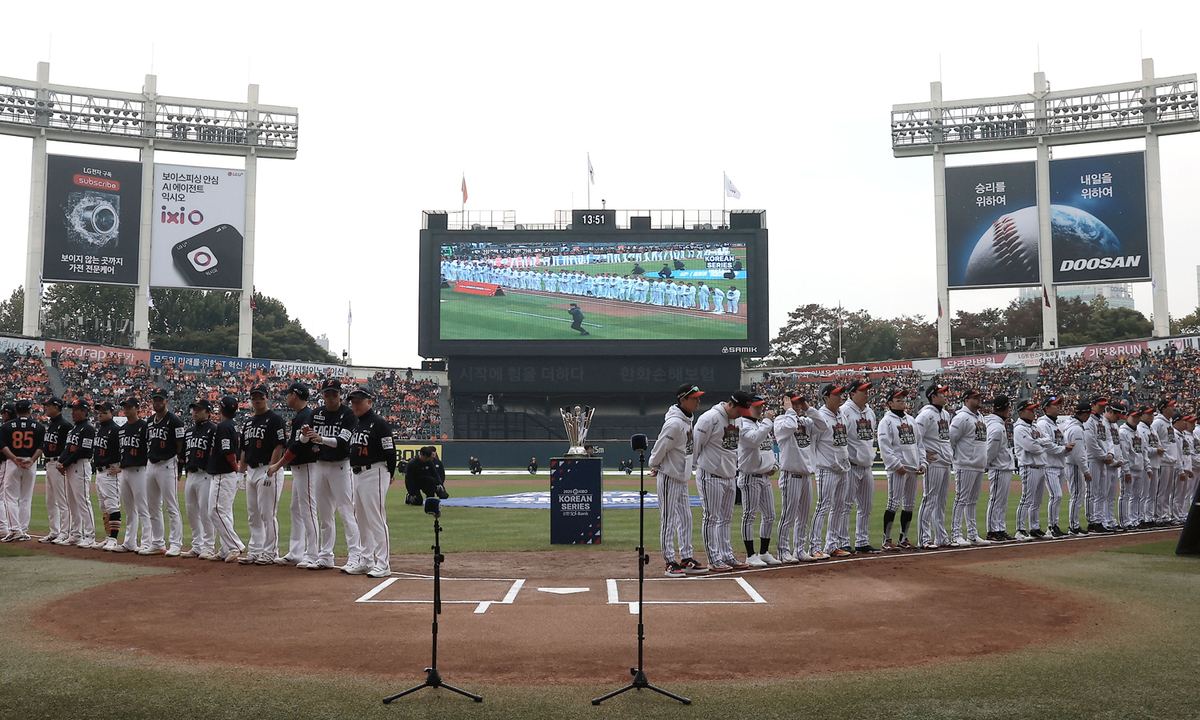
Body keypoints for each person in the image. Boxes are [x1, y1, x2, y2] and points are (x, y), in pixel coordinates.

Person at [649, 383, 706, 577]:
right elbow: (659, 447)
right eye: (694, 398)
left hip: (681, 477)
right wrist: (655, 465)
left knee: (686, 518)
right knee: (669, 519)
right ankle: (669, 561)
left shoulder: (688, 418)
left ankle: (686, 557)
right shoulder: (674, 423)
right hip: (669, 476)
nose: (698, 400)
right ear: (682, 400)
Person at [693, 391, 753, 572]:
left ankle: (727, 555)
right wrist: (699, 467)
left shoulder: (738, 420)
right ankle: (713, 558)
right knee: (711, 517)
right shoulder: (709, 418)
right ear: (731, 404)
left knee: (726, 519)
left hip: (729, 476)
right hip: (710, 475)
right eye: (740, 410)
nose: (742, 414)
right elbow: (695, 447)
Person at [306, 379, 363, 570]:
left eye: (334, 394)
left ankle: (355, 555)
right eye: (327, 394)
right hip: (320, 465)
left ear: (340, 395)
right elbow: (303, 438)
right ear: (322, 394)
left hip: (340, 466)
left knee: (347, 512)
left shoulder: (348, 414)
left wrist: (320, 438)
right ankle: (325, 556)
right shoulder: (316, 413)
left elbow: (343, 441)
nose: (331, 398)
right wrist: (305, 434)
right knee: (325, 515)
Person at [347, 388, 397, 579]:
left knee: (376, 518)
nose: (354, 405)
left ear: (369, 401)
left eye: (358, 401)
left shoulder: (379, 423)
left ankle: (383, 564)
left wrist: (390, 472)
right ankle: (366, 560)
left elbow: (390, 450)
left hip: (374, 470)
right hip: (358, 474)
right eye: (352, 402)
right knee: (362, 519)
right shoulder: (358, 425)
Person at [270, 383, 320, 568]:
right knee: (296, 509)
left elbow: (298, 447)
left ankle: (313, 554)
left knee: (307, 509)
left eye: (288, 394)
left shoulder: (306, 416)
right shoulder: (301, 416)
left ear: (294, 395)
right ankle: (296, 552)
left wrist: (277, 464)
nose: (286, 397)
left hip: (307, 465)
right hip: (301, 467)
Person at [238, 384, 287, 565]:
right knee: (253, 514)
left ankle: (270, 552)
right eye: (254, 397)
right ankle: (255, 550)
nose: (257, 400)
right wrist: (240, 473)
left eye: (260, 397)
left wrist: (271, 470)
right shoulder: (249, 422)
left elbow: (279, 446)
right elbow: (244, 449)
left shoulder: (275, 419)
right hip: (251, 469)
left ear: (267, 398)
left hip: (267, 469)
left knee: (267, 513)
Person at [775, 391, 822, 561]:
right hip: (791, 474)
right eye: (794, 403)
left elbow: (823, 425)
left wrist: (808, 408)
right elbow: (789, 427)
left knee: (803, 516)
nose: (798, 407)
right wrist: (789, 412)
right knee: (788, 515)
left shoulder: (806, 422)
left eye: (799, 403)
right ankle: (783, 551)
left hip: (806, 475)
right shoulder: (781, 421)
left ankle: (800, 550)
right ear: (786, 404)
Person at [736, 394, 779, 567]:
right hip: (750, 476)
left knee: (770, 515)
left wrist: (774, 464)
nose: (761, 409)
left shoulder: (760, 425)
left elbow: (767, 449)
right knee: (749, 515)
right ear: (748, 407)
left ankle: (764, 552)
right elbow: (754, 441)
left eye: (762, 406)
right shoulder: (743, 425)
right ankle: (749, 554)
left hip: (764, 477)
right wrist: (768, 422)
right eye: (757, 406)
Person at [808, 383, 850, 558]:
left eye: (841, 394)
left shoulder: (842, 415)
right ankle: (814, 546)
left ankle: (831, 545)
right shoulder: (819, 418)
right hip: (826, 469)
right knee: (823, 507)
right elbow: (812, 445)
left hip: (843, 469)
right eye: (836, 395)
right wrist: (816, 464)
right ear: (826, 398)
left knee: (839, 507)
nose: (840, 397)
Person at [877, 389, 923, 550]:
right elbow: (885, 447)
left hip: (912, 467)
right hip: (897, 469)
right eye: (898, 398)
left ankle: (903, 538)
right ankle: (886, 540)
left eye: (903, 398)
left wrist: (922, 462)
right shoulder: (886, 421)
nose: (903, 400)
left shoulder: (911, 420)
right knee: (893, 503)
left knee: (909, 504)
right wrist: (897, 465)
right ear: (890, 403)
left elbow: (919, 444)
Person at [143, 390, 186, 556]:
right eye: (155, 399)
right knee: (152, 506)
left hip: (168, 464)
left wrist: (180, 465)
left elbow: (181, 444)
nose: (157, 402)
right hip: (151, 464)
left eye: (160, 400)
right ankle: (157, 543)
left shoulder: (175, 421)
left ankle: (176, 543)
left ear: (166, 401)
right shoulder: (150, 421)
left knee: (171, 505)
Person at [840, 380, 879, 553]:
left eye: (868, 390)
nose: (867, 393)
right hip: (851, 466)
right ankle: (843, 541)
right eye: (863, 391)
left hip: (866, 465)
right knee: (845, 505)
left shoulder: (870, 412)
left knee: (866, 506)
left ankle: (862, 540)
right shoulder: (844, 411)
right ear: (852, 394)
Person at [948, 389, 990, 547]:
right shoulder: (961, 418)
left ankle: (972, 534)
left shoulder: (980, 417)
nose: (979, 400)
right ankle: (956, 534)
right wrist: (955, 458)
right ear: (966, 400)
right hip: (965, 464)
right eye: (975, 398)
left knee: (972, 501)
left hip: (978, 464)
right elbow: (951, 440)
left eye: (979, 397)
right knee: (961, 499)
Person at [207, 395, 246, 562]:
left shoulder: (223, 426)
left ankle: (235, 546)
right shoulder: (233, 425)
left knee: (215, 510)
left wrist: (237, 469)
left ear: (221, 408)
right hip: (229, 473)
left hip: (224, 473)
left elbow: (228, 451)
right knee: (225, 512)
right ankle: (224, 549)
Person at [914, 384, 953, 549]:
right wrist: (922, 456)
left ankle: (941, 537)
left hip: (945, 461)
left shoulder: (945, 414)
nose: (945, 395)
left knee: (941, 502)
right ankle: (924, 538)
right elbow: (916, 436)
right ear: (933, 396)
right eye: (941, 393)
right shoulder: (926, 414)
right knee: (929, 499)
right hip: (934, 461)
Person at [113, 397, 150, 553]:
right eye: (124, 407)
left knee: (143, 508)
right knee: (129, 510)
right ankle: (129, 542)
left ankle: (147, 543)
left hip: (140, 470)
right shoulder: (122, 429)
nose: (126, 409)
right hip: (125, 471)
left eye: (129, 407)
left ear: (137, 408)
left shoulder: (144, 427)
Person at [180, 400, 217, 559]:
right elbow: (184, 454)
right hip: (191, 474)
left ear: (208, 412)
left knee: (205, 511)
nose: (195, 412)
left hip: (206, 474)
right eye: (194, 409)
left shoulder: (213, 429)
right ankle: (197, 545)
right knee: (191, 510)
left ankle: (209, 547)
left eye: (199, 410)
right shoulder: (189, 431)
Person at [56, 400, 95, 547]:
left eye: (76, 409)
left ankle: (90, 535)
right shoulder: (73, 429)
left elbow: (83, 450)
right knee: (71, 503)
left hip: (80, 465)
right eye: (72, 409)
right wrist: (61, 461)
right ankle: (76, 534)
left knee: (83, 501)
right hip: (71, 467)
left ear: (85, 411)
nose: (73, 412)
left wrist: (65, 463)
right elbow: (67, 449)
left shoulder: (88, 428)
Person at [1033, 396, 1071, 538]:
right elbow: (1047, 445)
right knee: (1057, 495)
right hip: (1049, 465)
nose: (1058, 407)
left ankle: (1055, 525)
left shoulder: (1057, 425)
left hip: (1060, 464)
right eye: (1055, 405)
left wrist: (1066, 449)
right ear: (1047, 408)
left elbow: (1063, 443)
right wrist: (1063, 449)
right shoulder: (1043, 424)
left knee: (1057, 497)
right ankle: (1051, 527)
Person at [983, 395, 1015, 542]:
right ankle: (992, 530)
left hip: (1003, 466)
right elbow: (991, 449)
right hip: (998, 467)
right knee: (996, 500)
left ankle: (1000, 529)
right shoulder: (996, 426)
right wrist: (987, 464)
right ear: (1006, 408)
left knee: (1002, 501)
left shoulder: (998, 424)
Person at [39, 397, 71, 545]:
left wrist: (64, 462)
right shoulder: (51, 425)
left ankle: (65, 533)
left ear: (56, 407)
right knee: (50, 501)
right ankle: (54, 532)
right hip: (49, 463)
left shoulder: (65, 425)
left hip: (59, 463)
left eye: (48, 406)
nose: (45, 408)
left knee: (62, 500)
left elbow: (69, 446)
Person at [92, 402, 122, 550]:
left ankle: (114, 539)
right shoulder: (101, 430)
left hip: (110, 471)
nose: (100, 414)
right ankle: (108, 536)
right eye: (99, 412)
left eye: (104, 412)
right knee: (104, 507)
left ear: (111, 413)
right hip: (100, 472)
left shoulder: (115, 430)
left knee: (112, 505)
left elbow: (125, 449)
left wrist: (121, 466)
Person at [1062, 402, 1093, 535]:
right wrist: (1086, 471)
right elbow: (1079, 453)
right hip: (1073, 465)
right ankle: (1073, 526)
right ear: (1085, 414)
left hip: (1071, 463)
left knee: (1076, 495)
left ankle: (1074, 525)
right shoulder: (1076, 429)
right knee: (1076, 495)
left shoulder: (1072, 426)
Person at [1085, 397, 1114, 533]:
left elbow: (1109, 439)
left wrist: (1111, 454)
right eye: (1100, 406)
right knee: (1092, 492)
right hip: (1092, 459)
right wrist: (1104, 456)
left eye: (1104, 406)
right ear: (1093, 405)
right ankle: (1092, 522)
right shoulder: (1089, 420)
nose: (1103, 408)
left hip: (1103, 459)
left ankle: (1099, 520)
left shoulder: (1102, 420)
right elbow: (1090, 442)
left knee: (1102, 492)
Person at [1118, 402, 1148, 531]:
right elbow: (1124, 453)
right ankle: (1125, 521)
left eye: (1138, 416)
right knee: (1125, 495)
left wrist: (1147, 467)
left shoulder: (1139, 433)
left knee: (1137, 496)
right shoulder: (1123, 432)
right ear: (1127, 416)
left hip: (1139, 468)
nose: (1136, 419)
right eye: (1134, 416)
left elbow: (1144, 451)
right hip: (1129, 468)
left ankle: (1135, 520)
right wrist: (1126, 470)